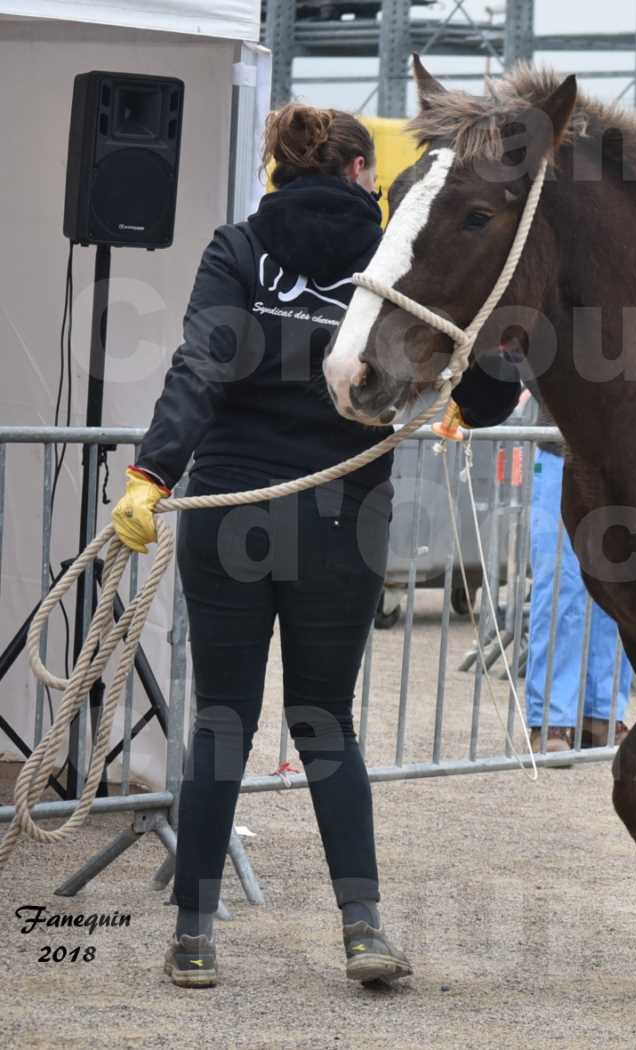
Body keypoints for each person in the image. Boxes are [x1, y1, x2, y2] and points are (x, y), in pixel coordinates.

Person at [112, 102, 520, 988]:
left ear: (280, 171)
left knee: (221, 721)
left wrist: (153, 474)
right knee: (327, 724)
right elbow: (490, 392)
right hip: (346, 519)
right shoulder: (391, 257)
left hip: (228, 509)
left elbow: (199, 367)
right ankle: (363, 931)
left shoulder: (238, 249)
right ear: (362, 175)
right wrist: (465, 394)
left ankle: (192, 937)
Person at [518, 384, 634, 752]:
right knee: (561, 585)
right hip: (562, 448)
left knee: (623, 587)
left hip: (625, 453)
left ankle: (603, 712)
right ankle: (552, 719)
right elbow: (525, 350)